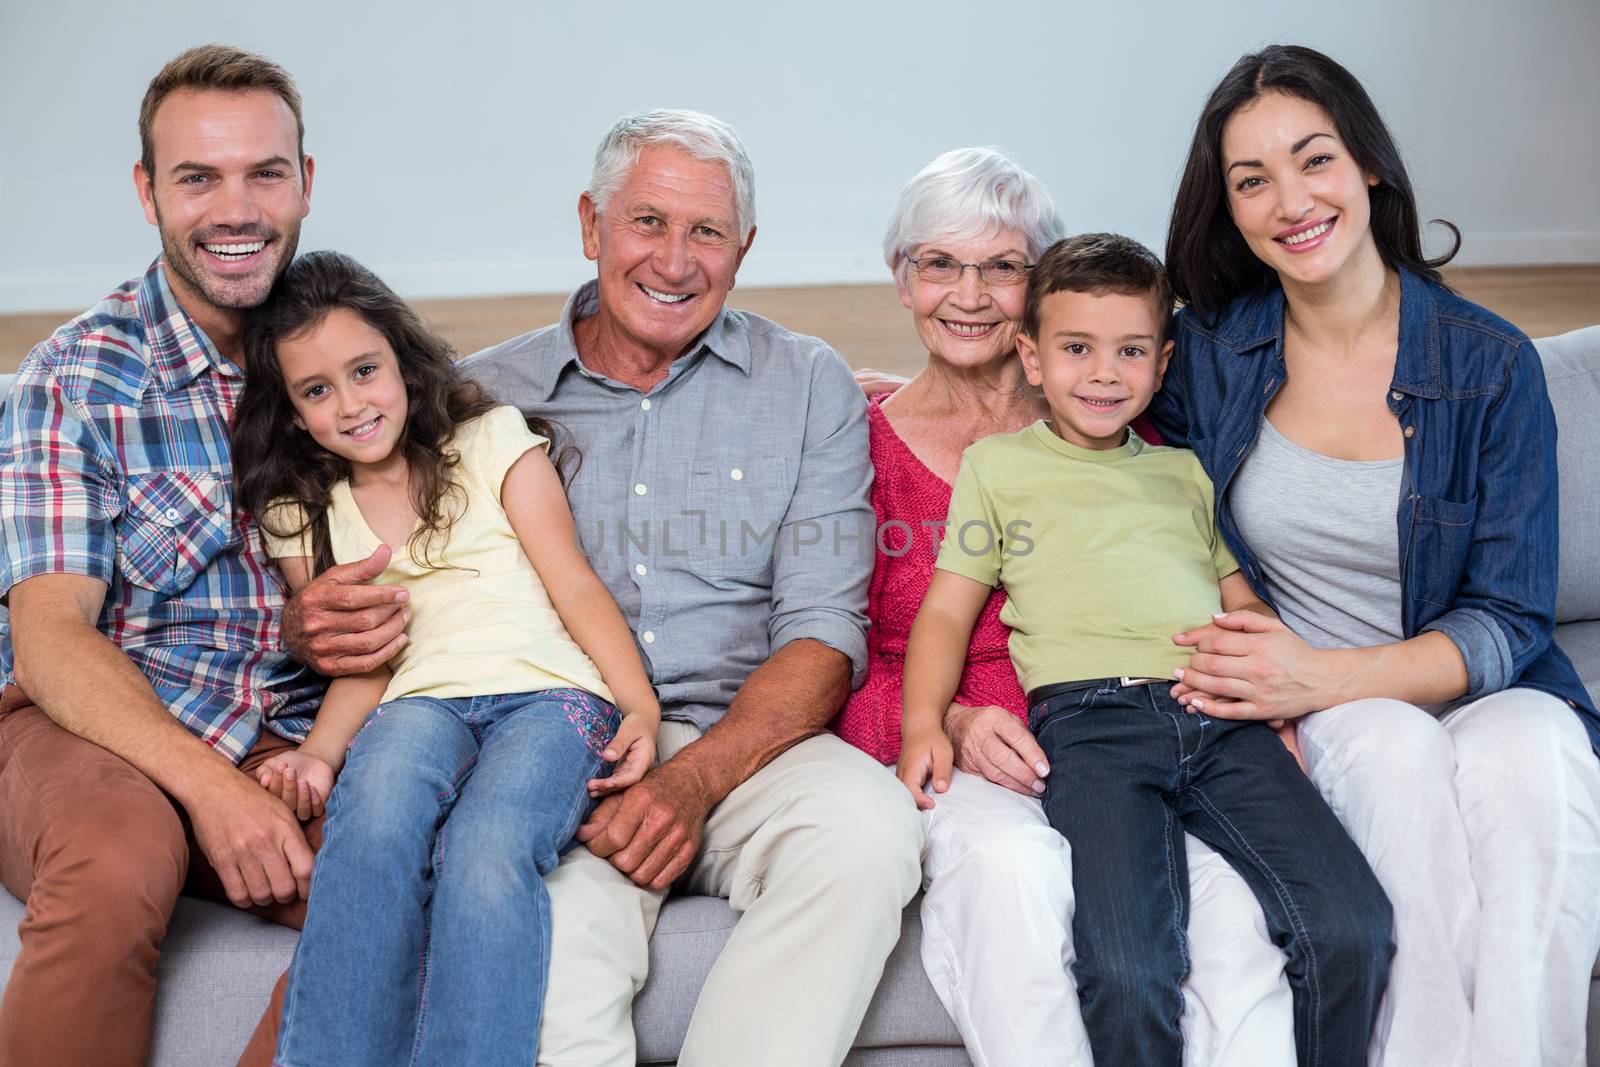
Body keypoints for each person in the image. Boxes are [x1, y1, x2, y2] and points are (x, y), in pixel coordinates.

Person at [243, 109, 924, 1067]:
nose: (676, 261)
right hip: (561, 744)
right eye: (647, 222)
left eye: (708, 233)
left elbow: (823, 629)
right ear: (589, 225)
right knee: (539, 963)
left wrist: (688, 779)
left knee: (870, 832)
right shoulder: (476, 398)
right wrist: (312, 623)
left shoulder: (806, 382)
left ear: (746, 249)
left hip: (749, 743)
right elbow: (383, 550)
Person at [1154, 44, 1600, 1066]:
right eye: (1250, 179)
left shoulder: (1490, 365)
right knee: (1396, 756)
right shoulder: (1211, 354)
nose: (1290, 200)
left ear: (1367, 167)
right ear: (1226, 210)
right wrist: (951, 383)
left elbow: (1509, 617)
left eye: (1313, 159)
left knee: (1537, 757)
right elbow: (1097, 415)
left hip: (1476, 682)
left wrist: (1325, 670)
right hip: (1333, 714)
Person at [834, 148, 1299, 1066]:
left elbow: (1207, 583)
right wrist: (954, 720)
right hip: (986, 762)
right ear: (901, 279)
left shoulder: (1128, 427)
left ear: (1037, 298)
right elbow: (837, 657)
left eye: (1002, 267)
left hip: (1150, 732)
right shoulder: (857, 446)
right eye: (938, 264)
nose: (968, 294)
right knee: (1018, 876)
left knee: (1236, 921)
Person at [899, 232, 1393, 1064]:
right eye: (1077, 348)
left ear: (1162, 364)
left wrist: (1276, 697)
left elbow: (1242, 602)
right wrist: (923, 724)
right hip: (1091, 729)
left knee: (1353, 924)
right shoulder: (997, 468)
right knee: (1130, 967)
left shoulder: (1184, 474)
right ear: (1030, 354)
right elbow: (946, 614)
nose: (1103, 372)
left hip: (1216, 716)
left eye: (1130, 351)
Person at [229, 250, 661, 1066]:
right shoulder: (301, 511)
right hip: (417, 704)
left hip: (550, 697)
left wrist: (638, 706)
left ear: (402, 359)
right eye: (317, 391)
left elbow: (573, 583)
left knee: (485, 848)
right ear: (290, 413)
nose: (352, 403)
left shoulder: (491, 441)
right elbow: (366, 656)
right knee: (370, 827)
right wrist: (318, 755)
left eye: (365, 371)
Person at [0, 45, 344, 1067]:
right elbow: (51, 636)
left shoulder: (346, 360)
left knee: (404, 885)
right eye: (198, 177)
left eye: (263, 173)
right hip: (93, 729)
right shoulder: (75, 376)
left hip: (288, 736)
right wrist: (214, 786)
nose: (235, 208)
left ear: (305, 183)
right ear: (149, 191)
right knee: (118, 855)